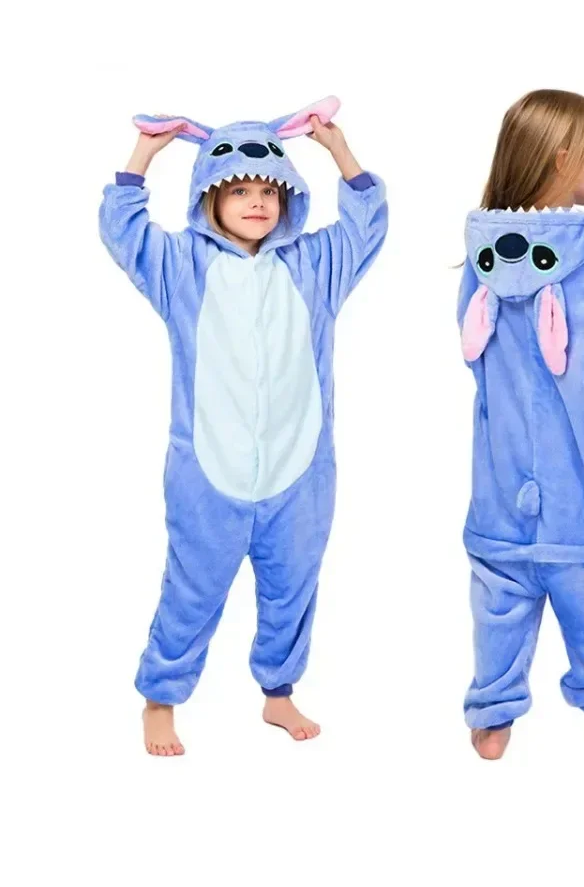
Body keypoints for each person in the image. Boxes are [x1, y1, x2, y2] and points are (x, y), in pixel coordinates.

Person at [99, 98, 387, 755]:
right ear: (209, 196)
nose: (257, 202)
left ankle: (278, 693)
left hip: (300, 470)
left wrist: (339, 150)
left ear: (289, 198)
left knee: (293, 588)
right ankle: (161, 698)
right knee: (192, 589)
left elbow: (367, 224)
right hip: (207, 470)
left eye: (269, 190)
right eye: (239, 190)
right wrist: (144, 155)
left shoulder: (314, 267)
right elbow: (124, 231)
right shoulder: (182, 268)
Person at [457, 89, 584, 760]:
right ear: (564, 159)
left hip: (499, 485)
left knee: (500, 599)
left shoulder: (481, 259)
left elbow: (474, 356)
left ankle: (492, 720)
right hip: (580, 488)